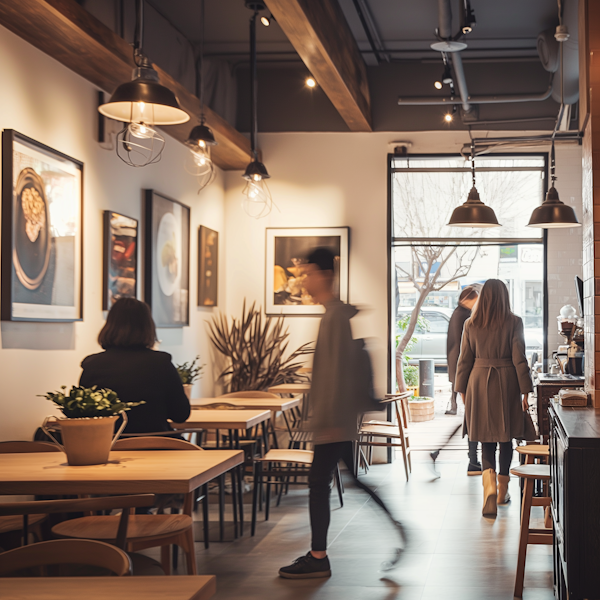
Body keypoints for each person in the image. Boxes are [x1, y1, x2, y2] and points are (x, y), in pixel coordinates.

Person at [278, 248, 403, 580]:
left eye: (307, 274)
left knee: (319, 483)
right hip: (337, 418)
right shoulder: (333, 314)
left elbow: (336, 374)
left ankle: (319, 556)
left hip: (334, 420)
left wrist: (329, 422)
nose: (303, 281)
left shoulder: (333, 316)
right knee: (354, 481)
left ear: (325, 275)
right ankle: (400, 529)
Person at [455, 279, 533, 517]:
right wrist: (526, 391)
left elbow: (464, 360)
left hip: (477, 382)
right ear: (504, 297)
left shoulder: (471, 323)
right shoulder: (515, 321)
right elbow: (520, 358)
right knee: (505, 437)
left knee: (485, 438)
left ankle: (488, 485)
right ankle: (502, 491)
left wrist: (462, 391)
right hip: (507, 382)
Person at [80, 298, 191, 434]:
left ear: (109, 325)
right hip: (156, 446)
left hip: (106, 447)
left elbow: (82, 415)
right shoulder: (161, 363)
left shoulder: (92, 365)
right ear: (148, 326)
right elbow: (180, 415)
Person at [445, 286, 481, 476]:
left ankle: (473, 459)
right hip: (465, 369)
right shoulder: (465, 317)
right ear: (469, 299)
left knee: (470, 416)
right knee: (471, 417)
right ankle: (473, 460)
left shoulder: (458, 314)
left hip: (460, 368)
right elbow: (465, 350)